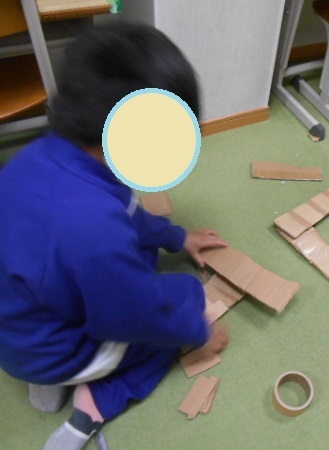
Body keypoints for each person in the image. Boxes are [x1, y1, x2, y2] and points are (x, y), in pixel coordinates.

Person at [0, 23, 229, 450]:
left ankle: (45, 383)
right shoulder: (95, 228)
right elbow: (134, 317)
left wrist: (176, 237)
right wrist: (197, 332)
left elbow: (127, 215)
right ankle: (94, 402)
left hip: (19, 329)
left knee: (129, 266)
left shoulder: (39, 156)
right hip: (54, 350)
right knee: (184, 296)